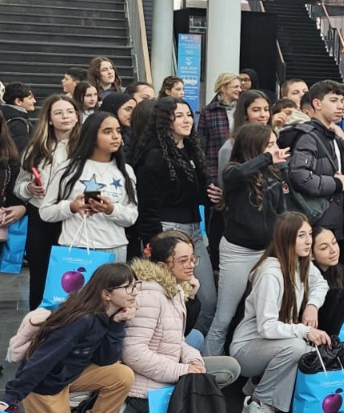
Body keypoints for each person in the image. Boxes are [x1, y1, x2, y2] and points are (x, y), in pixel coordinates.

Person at [0, 263, 136, 413]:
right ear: (106, 294)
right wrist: (10, 397)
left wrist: (117, 325)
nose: (134, 292)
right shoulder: (82, 320)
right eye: (128, 287)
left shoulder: (107, 316)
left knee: (122, 375)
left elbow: (104, 360)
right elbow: (42, 359)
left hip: (70, 376)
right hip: (44, 385)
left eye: (135, 285)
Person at [117, 232, 241, 413]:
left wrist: (193, 359)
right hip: (145, 386)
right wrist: (183, 370)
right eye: (183, 260)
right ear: (163, 266)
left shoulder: (173, 290)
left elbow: (177, 341)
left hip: (167, 372)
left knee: (229, 368)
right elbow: (133, 352)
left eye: (193, 258)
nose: (191, 265)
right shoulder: (150, 295)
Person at [229, 212, 331, 413]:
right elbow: (266, 327)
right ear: (286, 239)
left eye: (310, 234)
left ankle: (258, 384)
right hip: (246, 348)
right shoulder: (270, 273)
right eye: (301, 235)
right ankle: (257, 403)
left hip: (268, 345)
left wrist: (312, 306)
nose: (308, 241)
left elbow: (321, 284)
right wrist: (304, 330)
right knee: (297, 346)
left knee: (303, 347)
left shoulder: (301, 263)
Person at [132, 97, 218, 334]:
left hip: (194, 231)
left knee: (208, 300)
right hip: (168, 232)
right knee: (175, 299)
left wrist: (212, 195)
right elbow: (148, 209)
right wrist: (158, 245)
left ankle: (194, 351)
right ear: (165, 120)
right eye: (178, 115)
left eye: (189, 115)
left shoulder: (191, 150)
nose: (186, 120)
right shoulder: (154, 156)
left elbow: (195, 193)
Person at [205, 123, 291, 356]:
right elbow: (239, 174)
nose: (275, 150)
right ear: (256, 147)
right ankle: (206, 372)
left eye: (275, 144)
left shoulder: (273, 171)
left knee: (263, 312)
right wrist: (266, 158)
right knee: (224, 316)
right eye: (270, 145)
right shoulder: (233, 171)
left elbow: (281, 211)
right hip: (239, 252)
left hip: (267, 251)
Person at [42, 111, 138, 263]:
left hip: (114, 248)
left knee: (113, 287)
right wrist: (72, 207)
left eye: (118, 131)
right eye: (107, 132)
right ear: (92, 136)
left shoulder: (126, 171)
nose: (116, 136)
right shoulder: (68, 169)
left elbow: (132, 217)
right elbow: (46, 212)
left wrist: (111, 209)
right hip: (76, 247)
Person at [16, 94, 79, 309]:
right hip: (40, 217)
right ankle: (36, 325)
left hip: (73, 217)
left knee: (72, 274)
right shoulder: (36, 148)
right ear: (49, 119)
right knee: (40, 274)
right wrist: (29, 188)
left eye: (70, 111)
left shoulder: (88, 148)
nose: (66, 117)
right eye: (59, 113)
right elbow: (19, 187)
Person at [288, 80, 344, 240]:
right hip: (317, 219)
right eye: (334, 100)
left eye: (343, 101)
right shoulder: (309, 136)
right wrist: (336, 183)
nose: (341, 106)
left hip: (332, 217)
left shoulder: (332, 136)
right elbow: (300, 177)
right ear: (317, 103)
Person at [196, 72, 243, 186]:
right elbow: (201, 143)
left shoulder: (243, 109)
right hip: (216, 167)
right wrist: (206, 173)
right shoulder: (208, 111)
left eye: (240, 87)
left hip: (241, 164)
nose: (240, 90)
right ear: (223, 88)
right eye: (236, 86)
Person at [217, 89, 271, 176]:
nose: (263, 115)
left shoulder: (272, 141)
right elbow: (226, 182)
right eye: (256, 110)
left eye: (266, 109)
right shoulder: (230, 147)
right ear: (244, 113)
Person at [98, 92, 138, 160]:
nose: (132, 114)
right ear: (114, 108)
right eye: (128, 109)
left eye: (134, 110)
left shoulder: (133, 133)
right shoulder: (98, 130)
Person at [2, 81, 36, 153]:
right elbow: (22, 151)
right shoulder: (19, 124)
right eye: (30, 98)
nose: (34, 101)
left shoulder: (5, 116)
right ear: (18, 101)